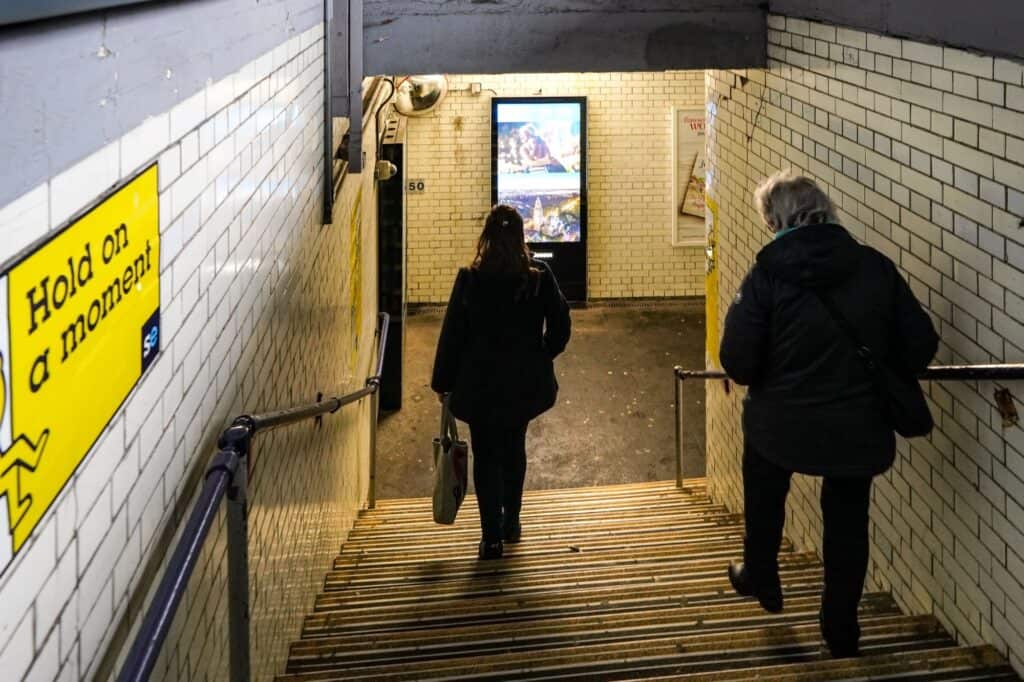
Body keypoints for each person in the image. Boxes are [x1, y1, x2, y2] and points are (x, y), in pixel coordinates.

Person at [719, 170, 938, 658]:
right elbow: (921, 343)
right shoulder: (875, 268)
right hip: (857, 426)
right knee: (847, 522)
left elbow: (737, 360)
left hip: (779, 424)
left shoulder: (765, 277)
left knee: (764, 488)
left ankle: (761, 574)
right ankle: (840, 626)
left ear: (775, 220)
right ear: (825, 211)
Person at [431, 205, 571, 560]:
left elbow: (453, 336)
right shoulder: (538, 277)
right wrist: (541, 357)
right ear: (521, 236)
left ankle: (491, 537)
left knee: (486, 455)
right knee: (514, 449)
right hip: (522, 387)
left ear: (487, 238)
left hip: (479, 387)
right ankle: (512, 524)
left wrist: (443, 382)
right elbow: (561, 327)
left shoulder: (470, 279)